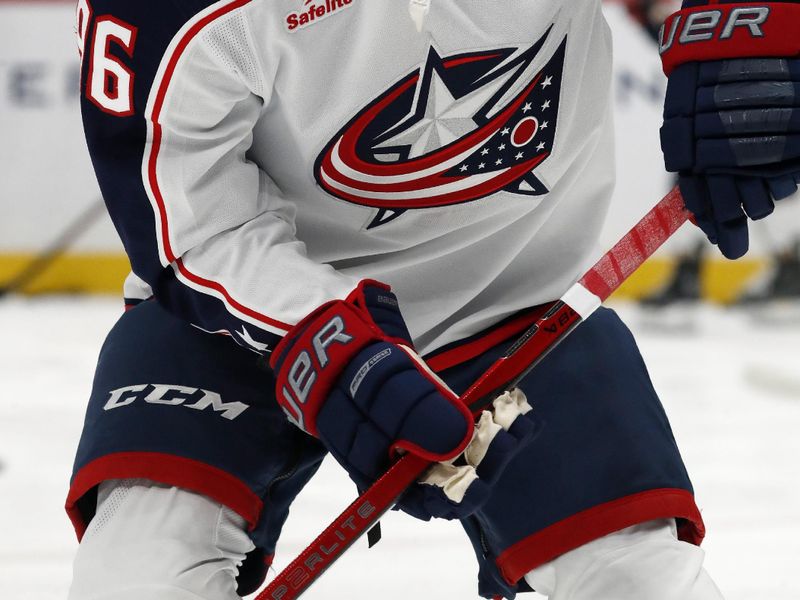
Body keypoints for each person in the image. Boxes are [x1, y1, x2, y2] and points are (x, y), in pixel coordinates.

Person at [66, 1, 799, 598]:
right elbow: (199, 228)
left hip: (514, 299)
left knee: (639, 584)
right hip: (247, 316)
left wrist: (755, 22)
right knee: (134, 578)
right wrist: (331, 345)